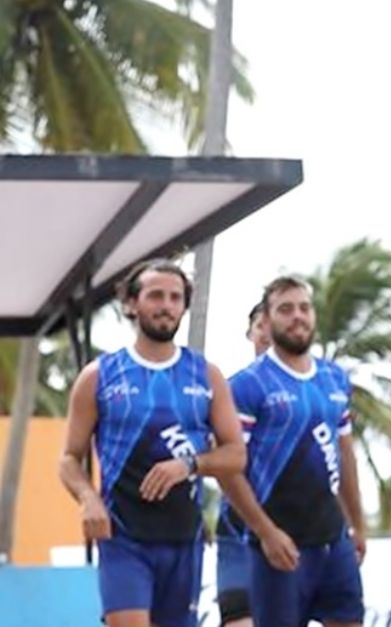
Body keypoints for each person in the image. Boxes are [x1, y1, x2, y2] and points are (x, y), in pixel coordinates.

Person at [58, 260, 246, 627]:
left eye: (175, 298)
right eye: (156, 295)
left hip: (184, 539)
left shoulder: (207, 375)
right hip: (122, 537)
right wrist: (88, 499)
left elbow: (236, 455)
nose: (166, 306)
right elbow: (68, 458)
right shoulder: (99, 375)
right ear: (131, 304)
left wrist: (189, 465)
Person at [219, 277, 368, 627]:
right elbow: (227, 468)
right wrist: (266, 532)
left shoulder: (334, 378)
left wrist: (358, 525)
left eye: (304, 307)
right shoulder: (246, 384)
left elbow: (345, 455)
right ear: (267, 321)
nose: (297, 316)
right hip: (279, 543)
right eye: (285, 309)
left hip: (332, 537)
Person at [215, 301, 272, 627]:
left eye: (272, 324)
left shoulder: (317, 389)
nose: (267, 333)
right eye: (260, 325)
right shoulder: (232, 390)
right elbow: (219, 461)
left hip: (297, 528)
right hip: (237, 528)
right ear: (249, 333)